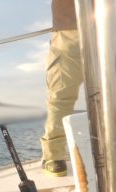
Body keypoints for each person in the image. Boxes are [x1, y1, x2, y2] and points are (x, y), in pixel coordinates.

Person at [40, 0, 84, 177]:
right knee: (61, 95)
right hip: (70, 28)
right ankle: (54, 155)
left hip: (72, 29)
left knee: (60, 97)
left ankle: (53, 155)